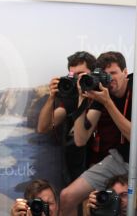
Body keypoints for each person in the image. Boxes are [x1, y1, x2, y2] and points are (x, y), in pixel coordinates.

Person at [60, 51, 132, 216]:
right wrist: (82, 98)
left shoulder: (133, 89)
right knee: (66, 196)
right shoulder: (103, 92)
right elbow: (80, 139)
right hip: (121, 158)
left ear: (125, 72)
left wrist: (107, 102)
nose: (110, 79)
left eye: (113, 73)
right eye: (105, 75)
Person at [37, 51, 96, 183]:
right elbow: (43, 127)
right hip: (76, 168)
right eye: (73, 75)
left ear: (93, 73)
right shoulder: (71, 97)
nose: (77, 80)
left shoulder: (103, 96)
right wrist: (52, 97)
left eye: (81, 74)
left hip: (100, 164)